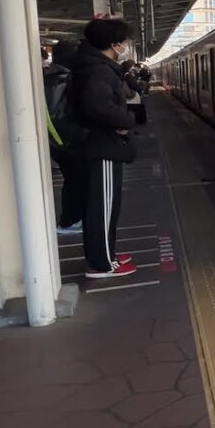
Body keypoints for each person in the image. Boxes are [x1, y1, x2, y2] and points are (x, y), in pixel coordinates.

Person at [70, 19, 138, 278]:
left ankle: (106, 254)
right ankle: (102, 264)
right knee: (103, 207)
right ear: (114, 44)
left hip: (98, 145)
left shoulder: (91, 66)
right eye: (123, 42)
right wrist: (126, 121)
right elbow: (98, 107)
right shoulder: (98, 70)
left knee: (103, 206)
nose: (125, 46)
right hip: (101, 147)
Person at [47, 40, 86, 235]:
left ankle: (73, 218)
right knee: (74, 180)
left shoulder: (50, 76)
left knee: (73, 180)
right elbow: (60, 114)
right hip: (67, 140)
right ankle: (69, 221)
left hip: (58, 141)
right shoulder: (62, 79)